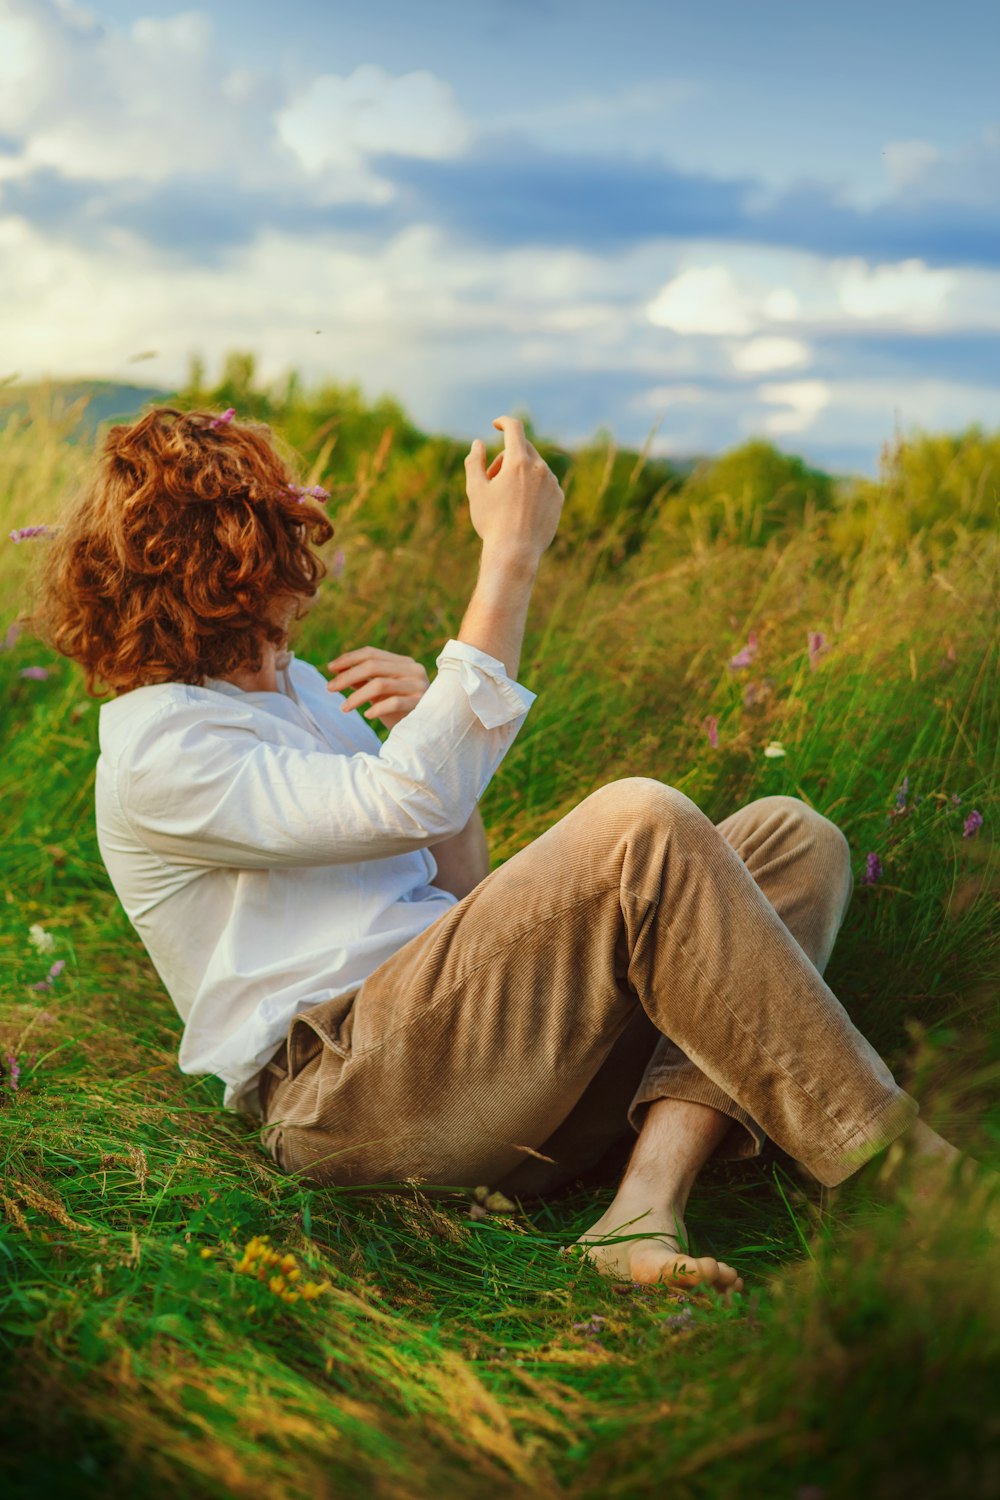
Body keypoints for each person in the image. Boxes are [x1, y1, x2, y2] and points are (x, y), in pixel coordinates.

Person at [29, 404, 964, 1295]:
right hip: (348, 1097)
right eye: (249, 631)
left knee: (793, 838)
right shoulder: (159, 749)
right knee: (638, 821)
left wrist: (418, 734)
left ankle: (641, 1209)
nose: (278, 652)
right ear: (172, 612)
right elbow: (411, 796)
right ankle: (909, 1170)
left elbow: (458, 882)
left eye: (284, 623)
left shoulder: (299, 690)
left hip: (475, 1067)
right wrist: (509, 559)